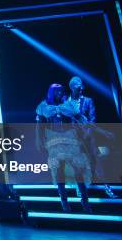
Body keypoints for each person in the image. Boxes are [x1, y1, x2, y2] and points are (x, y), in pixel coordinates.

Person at [35, 83, 93, 212]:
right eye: (57, 91)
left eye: (61, 91)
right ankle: (64, 203)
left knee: (78, 169)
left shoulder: (68, 104)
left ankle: (85, 201)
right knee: (59, 170)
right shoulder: (43, 106)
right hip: (53, 139)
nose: (60, 93)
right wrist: (38, 139)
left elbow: (79, 117)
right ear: (51, 92)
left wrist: (87, 130)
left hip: (70, 138)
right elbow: (39, 125)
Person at [67, 76, 117, 198]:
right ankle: (80, 188)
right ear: (72, 88)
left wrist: (88, 131)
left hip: (88, 135)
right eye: (78, 88)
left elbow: (93, 119)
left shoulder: (88, 101)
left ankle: (107, 186)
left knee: (97, 160)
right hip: (73, 137)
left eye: (82, 87)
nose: (81, 90)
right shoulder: (66, 103)